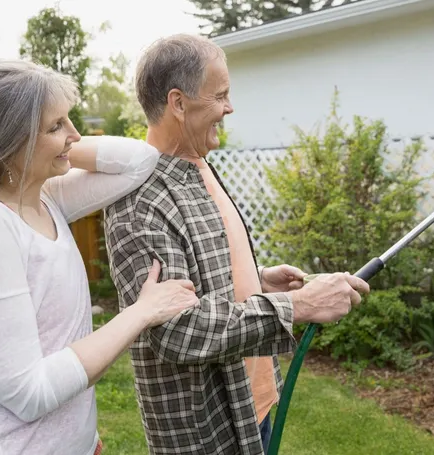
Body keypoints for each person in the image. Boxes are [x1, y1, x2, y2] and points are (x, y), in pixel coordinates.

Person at [0, 58, 199, 455]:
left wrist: (51, 148)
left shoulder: (46, 202)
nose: (75, 134)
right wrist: (141, 312)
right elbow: (29, 393)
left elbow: (139, 161)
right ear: (12, 142)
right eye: (56, 125)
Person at [103, 34, 371, 455]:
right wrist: (300, 307)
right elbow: (177, 329)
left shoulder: (198, 164)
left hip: (253, 401)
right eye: (220, 96)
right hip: (206, 430)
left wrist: (258, 283)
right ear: (178, 103)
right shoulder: (141, 201)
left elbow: (202, 271)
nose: (230, 108)